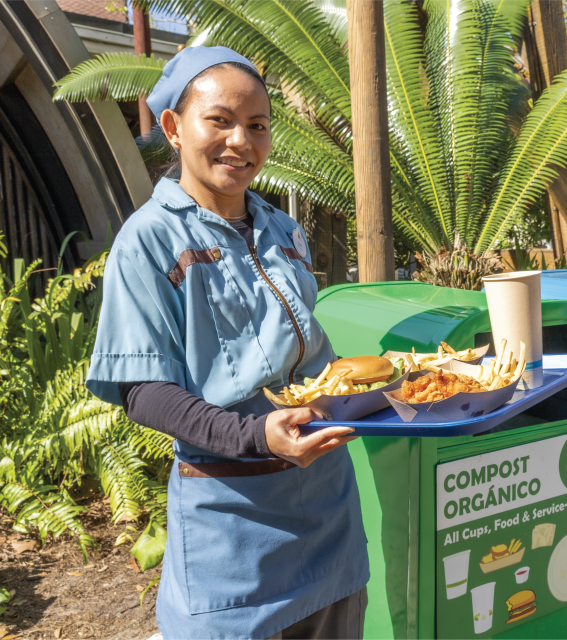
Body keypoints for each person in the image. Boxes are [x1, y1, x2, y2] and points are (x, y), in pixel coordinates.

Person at [85, 46, 368, 640]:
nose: (241, 141)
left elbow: (309, 358)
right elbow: (143, 389)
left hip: (328, 517)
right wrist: (249, 435)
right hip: (234, 533)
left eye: (257, 125)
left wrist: (411, 394)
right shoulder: (150, 242)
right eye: (220, 120)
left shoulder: (284, 230)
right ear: (173, 127)